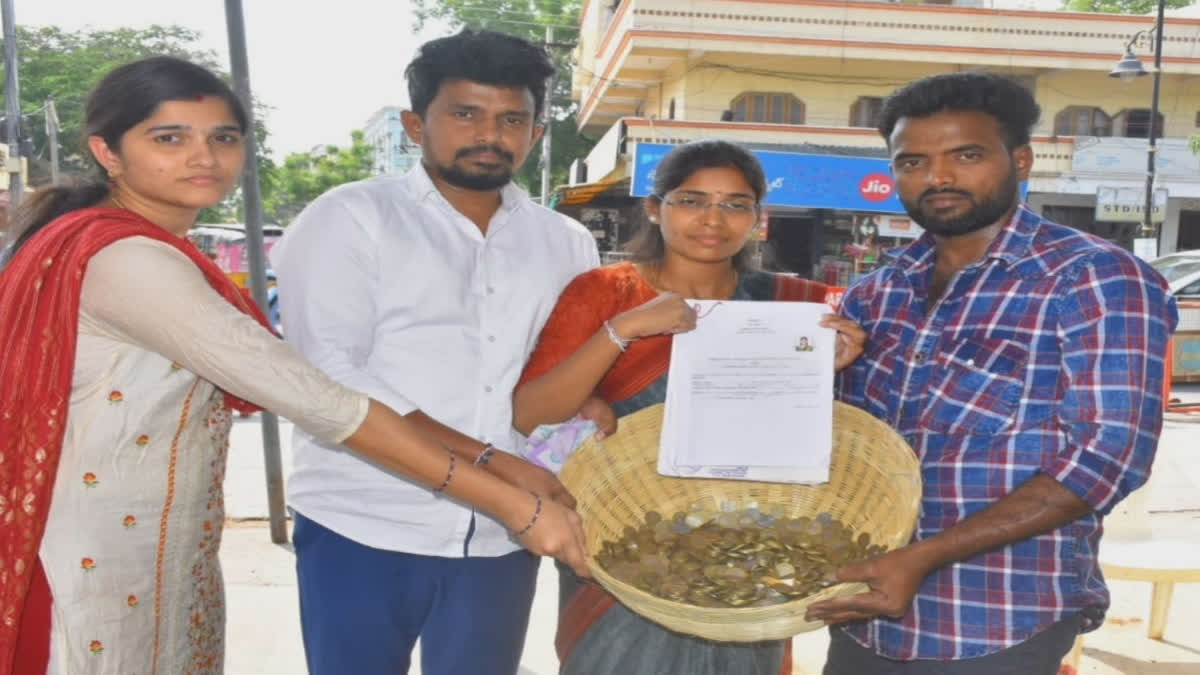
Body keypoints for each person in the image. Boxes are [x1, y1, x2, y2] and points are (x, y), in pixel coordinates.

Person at [0, 56, 588, 675]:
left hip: (160, 542)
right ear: (107, 151)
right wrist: (510, 495)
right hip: (104, 550)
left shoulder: (562, 238)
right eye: (168, 138)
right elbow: (325, 394)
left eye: (223, 138)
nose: (203, 157)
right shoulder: (130, 260)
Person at [806, 72, 1179, 674]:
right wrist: (813, 381)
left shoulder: (1093, 278)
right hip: (862, 611)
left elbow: (1107, 457)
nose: (938, 177)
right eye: (913, 161)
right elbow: (846, 451)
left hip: (997, 617)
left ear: (1022, 160)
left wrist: (923, 557)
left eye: (967, 155)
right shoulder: (875, 295)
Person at [268, 29, 600, 675]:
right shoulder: (350, 218)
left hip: (502, 543)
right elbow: (331, 380)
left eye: (512, 119)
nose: (490, 135)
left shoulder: (567, 243)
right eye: (465, 113)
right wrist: (491, 464)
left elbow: (554, 372)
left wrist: (587, 399)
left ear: (535, 134)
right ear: (416, 125)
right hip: (363, 520)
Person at [512, 139, 867, 675]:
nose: (712, 219)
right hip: (623, 551)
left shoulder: (799, 307)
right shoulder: (604, 293)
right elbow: (528, 413)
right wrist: (623, 331)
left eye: (734, 204)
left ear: (757, 219)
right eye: (691, 199)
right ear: (655, 209)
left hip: (754, 551)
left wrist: (827, 366)